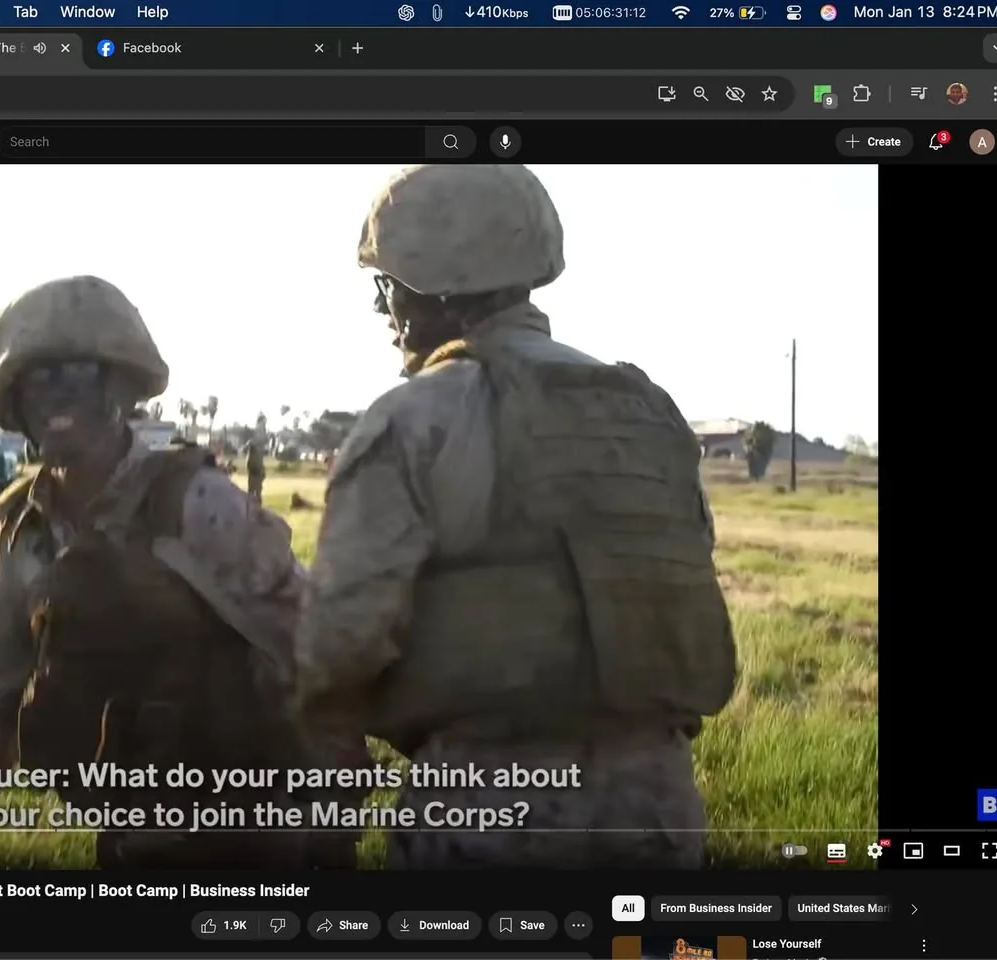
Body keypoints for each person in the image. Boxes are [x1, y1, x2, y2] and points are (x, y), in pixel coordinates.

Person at [294, 165, 737, 870]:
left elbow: (340, 639)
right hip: (659, 805)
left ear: (430, 285)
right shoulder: (645, 410)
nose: (382, 310)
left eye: (386, 285)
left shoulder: (414, 419)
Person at [0, 275, 360, 871]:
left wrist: (332, 824)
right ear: (16, 403)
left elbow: (313, 655)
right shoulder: (19, 537)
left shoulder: (197, 504)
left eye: (82, 375)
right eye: (39, 379)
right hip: (129, 836)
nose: (59, 397)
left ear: (121, 387)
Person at [243, 414, 268, 505]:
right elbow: (247, 447)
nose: (264, 425)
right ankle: (251, 506)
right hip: (253, 464)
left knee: (257, 489)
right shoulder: (255, 435)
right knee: (252, 488)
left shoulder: (263, 435)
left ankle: (255, 506)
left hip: (258, 464)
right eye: (263, 423)